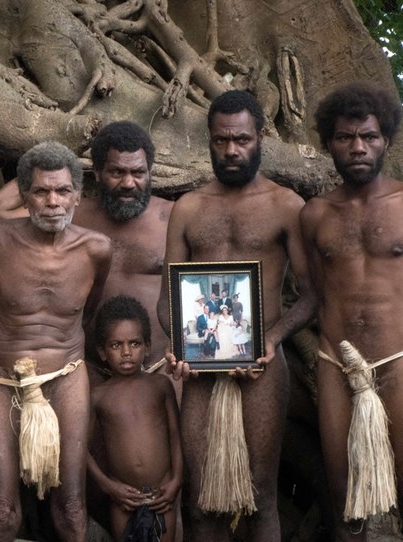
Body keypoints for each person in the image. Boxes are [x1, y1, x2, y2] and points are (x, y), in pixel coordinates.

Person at [156, 90, 316, 541]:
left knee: (260, 496)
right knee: (201, 500)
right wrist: (180, 346)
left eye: (241, 140)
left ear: (260, 136)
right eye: (221, 141)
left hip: (262, 368)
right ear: (207, 140)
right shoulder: (188, 208)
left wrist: (273, 337)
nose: (231, 150)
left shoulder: (286, 205)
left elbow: (311, 296)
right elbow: (168, 301)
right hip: (201, 372)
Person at [0, 141, 111, 542]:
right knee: (1, 512)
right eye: (41, 191)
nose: (53, 201)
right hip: (0, 378)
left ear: (78, 196)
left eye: (63, 191)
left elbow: (86, 315)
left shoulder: (96, 249)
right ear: (24, 196)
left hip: (66, 375)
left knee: (70, 509)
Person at [0, 122, 174, 368]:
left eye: (138, 173)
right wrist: (55, 163)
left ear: (149, 172)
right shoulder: (69, 215)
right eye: (116, 173)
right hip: (82, 365)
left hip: (158, 367)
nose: (128, 183)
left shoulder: (173, 219)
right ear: (96, 173)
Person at [300, 81, 403, 540]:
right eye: (345, 137)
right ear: (328, 143)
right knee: (345, 500)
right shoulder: (315, 214)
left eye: (369, 136)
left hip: (399, 360)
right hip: (335, 365)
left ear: (387, 140)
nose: (358, 147)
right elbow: (314, 295)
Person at [87, 296, 181, 542]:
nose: (126, 352)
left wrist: (176, 480)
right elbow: (80, 449)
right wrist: (109, 486)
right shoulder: (98, 396)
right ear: (102, 352)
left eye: (135, 343)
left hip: (163, 495)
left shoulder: (161, 386)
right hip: (123, 499)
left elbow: (175, 436)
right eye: (116, 345)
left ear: (148, 346)